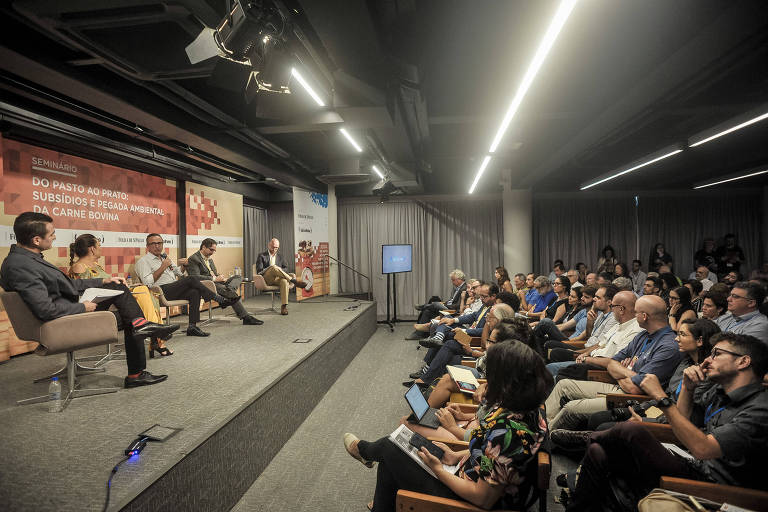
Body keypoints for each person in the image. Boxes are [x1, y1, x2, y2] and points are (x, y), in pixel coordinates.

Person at [564, 333, 768, 511]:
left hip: (713, 485)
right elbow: (681, 422)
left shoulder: (760, 409)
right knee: (597, 453)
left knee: (633, 430)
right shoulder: (719, 390)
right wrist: (687, 388)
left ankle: (589, 437)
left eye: (717, 354)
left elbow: (703, 449)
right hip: (690, 461)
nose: (707, 360)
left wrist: (661, 398)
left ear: (743, 362)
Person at [343, 342, 552, 512]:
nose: (486, 382)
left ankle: (364, 451)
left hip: (469, 500)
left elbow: (482, 499)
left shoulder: (508, 432)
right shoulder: (528, 411)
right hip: (467, 471)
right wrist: (458, 455)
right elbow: (493, 457)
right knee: (401, 446)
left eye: (491, 376)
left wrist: (439, 470)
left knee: (390, 449)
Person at [0, 212, 177, 387]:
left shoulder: (26, 259)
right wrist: (82, 307)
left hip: (64, 313)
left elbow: (66, 285)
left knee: (118, 290)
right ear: (36, 240)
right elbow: (45, 310)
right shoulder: (21, 266)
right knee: (129, 314)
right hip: (58, 323)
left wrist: (103, 280)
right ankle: (137, 367)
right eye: (51, 233)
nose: (54, 237)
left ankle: (139, 339)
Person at [544, 295, 681, 431]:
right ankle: (541, 425)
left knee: (571, 407)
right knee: (563, 385)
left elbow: (635, 388)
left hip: (635, 398)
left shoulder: (668, 346)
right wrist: (626, 372)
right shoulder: (643, 335)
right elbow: (612, 362)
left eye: (636, 312)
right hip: (620, 386)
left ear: (644, 316)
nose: (633, 316)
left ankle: (544, 438)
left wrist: (620, 370)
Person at [69, 233, 174, 357]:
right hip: (95, 305)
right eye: (99, 245)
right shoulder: (79, 267)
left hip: (111, 299)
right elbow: (86, 291)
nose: (101, 248)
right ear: (92, 249)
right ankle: (156, 336)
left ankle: (154, 334)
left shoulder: (96, 265)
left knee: (145, 291)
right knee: (143, 294)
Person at [135, 234, 237, 337]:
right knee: (191, 278)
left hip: (173, 289)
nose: (157, 246)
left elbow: (179, 273)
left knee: (194, 292)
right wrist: (163, 267)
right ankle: (219, 299)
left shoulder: (164, 258)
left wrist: (184, 265)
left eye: (159, 243)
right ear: (147, 246)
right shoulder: (143, 262)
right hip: (159, 292)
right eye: (153, 243)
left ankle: (192, 327)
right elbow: (147, 282)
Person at [186, 238, 263, 325]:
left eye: (214, 251)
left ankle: (229, 290)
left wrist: (220, 277)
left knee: (238, 277)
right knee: (228, 292)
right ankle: (246, 317)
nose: (212, 253)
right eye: (211, 250)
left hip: (217, 282)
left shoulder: (210, 259)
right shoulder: (193, 259)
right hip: (207, 285)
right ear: (203, 247)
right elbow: (195, 277)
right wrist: (214, 279)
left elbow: (214, 273)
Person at [255, 238, 307, 316]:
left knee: (284, 281)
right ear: (269, 245)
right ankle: (294, 281)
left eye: (276, 247)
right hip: (266, 279)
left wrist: (279, 270)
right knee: (273, 267)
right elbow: (259, 271)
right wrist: (271, 268)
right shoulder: (261, 255)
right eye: (273, 247)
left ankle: (284, 306)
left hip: (277, 279)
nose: (274, 249)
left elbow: (286, 268)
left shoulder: (280, 256)